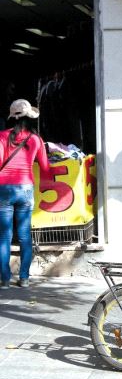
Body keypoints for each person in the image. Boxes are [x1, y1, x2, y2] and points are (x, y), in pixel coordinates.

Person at [0, 99, 50, 289]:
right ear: (30, 117)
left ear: (12, 117)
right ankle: (24, 278)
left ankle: (4, 280)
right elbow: (45, 168)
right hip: (25, 189)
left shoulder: (2, 136)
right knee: (24, 236)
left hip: (4, 189)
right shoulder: (36, 139)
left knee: (4, 237)